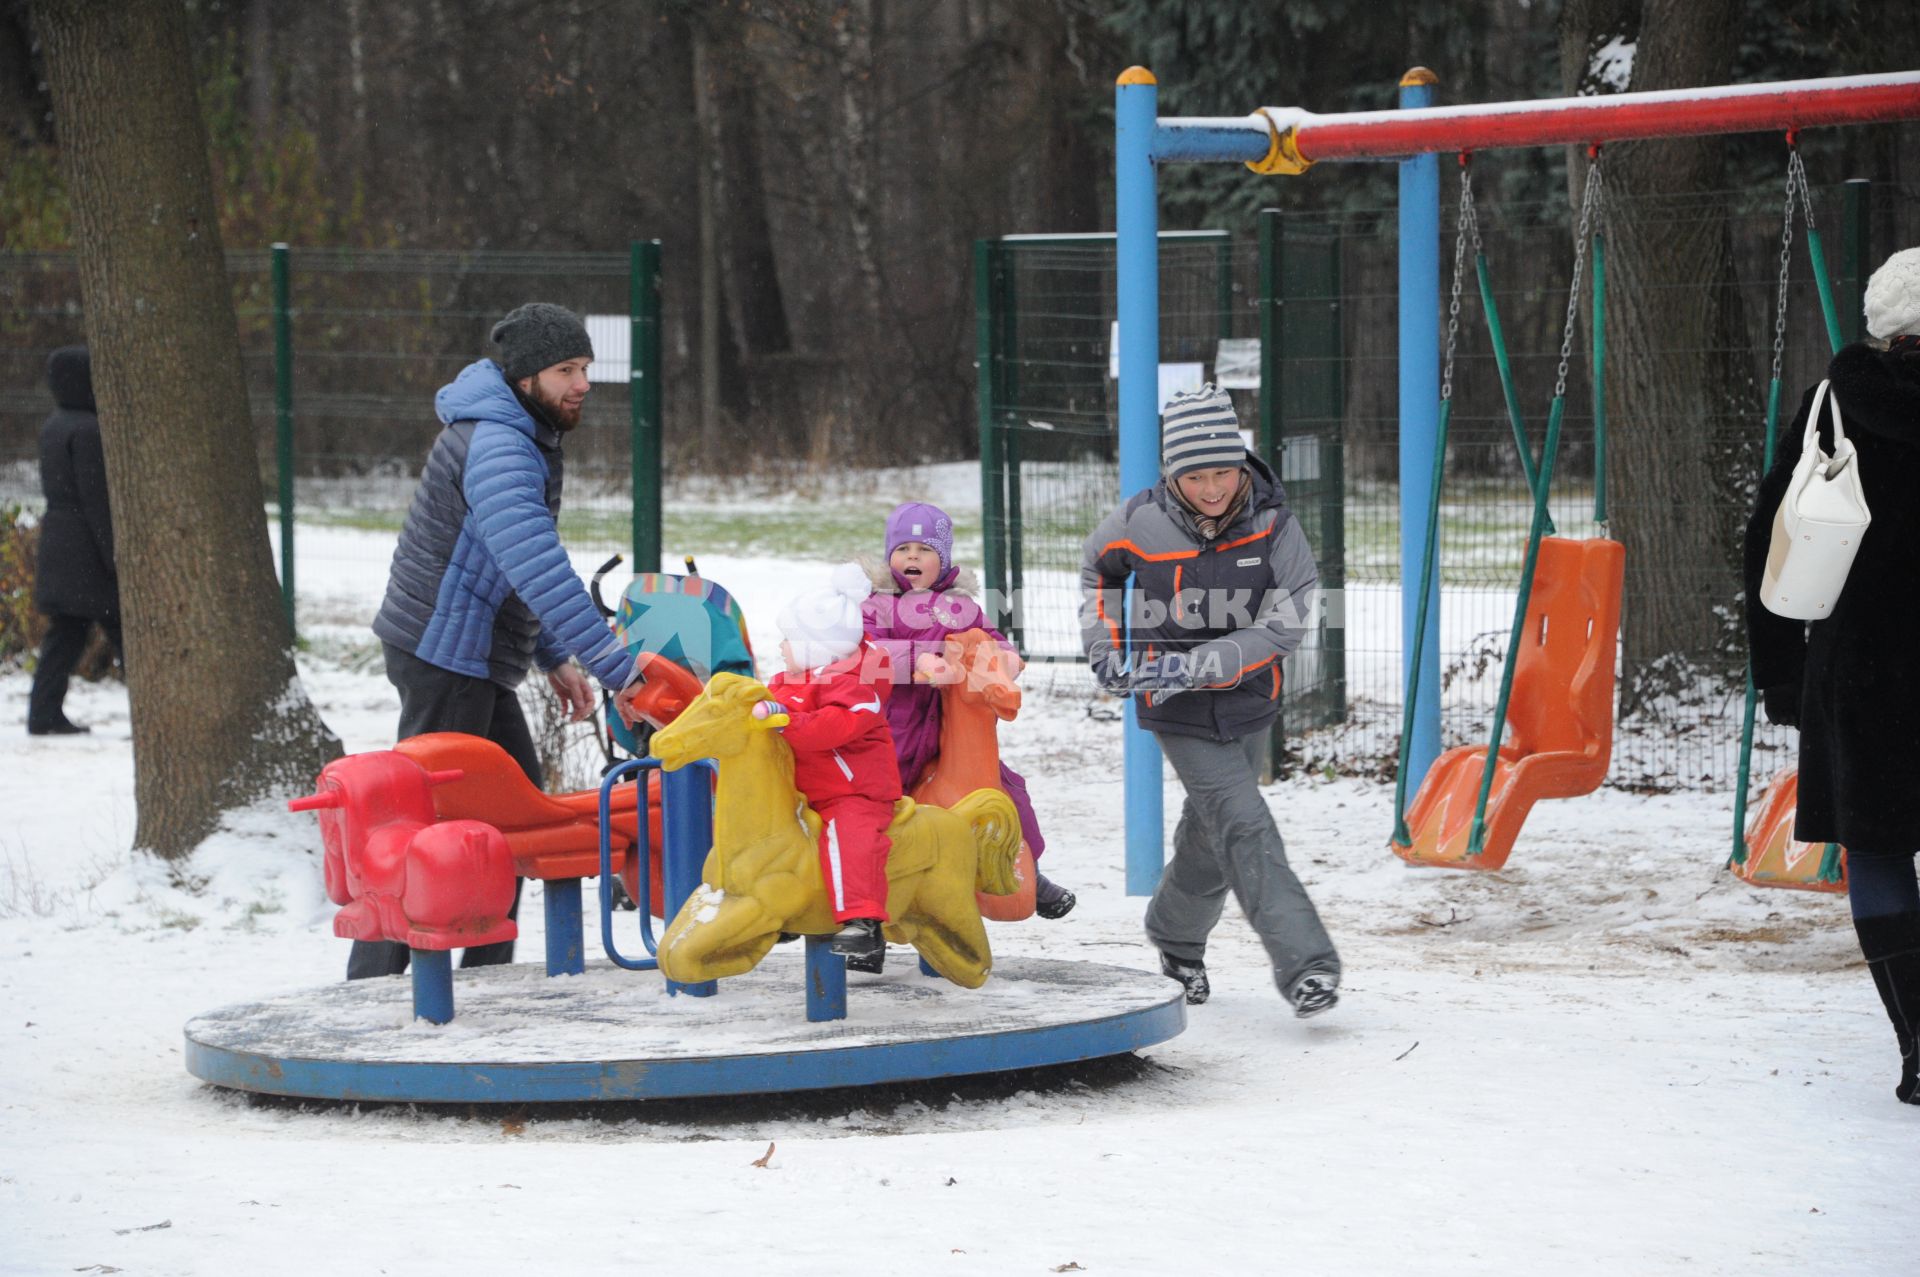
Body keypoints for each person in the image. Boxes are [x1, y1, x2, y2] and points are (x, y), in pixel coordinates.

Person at [355, 303, 644, 980]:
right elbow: (537, 566)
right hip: (443, 657)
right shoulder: (501, 445)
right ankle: (373, 985)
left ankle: (487, 976)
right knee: (428, 831)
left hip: (468, 655)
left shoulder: (521, 430)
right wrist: (616, 671)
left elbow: (504, 560)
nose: (582, 384)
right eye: (565, 370)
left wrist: (550, 655)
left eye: (585, 368)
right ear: (523, 377)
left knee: (510, 821)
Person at [1079, 384, 1338, 1016]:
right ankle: (1308, 965)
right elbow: (1098, 570)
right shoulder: (1141, 521)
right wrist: (1110, 648)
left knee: (1211, 831)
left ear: (1242, 464)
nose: (1214, 488)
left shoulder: (1275, 524)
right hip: (1174, 703)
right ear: (1173, 474)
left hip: (1248, 695)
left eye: (1224, 472)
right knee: (1244, 823)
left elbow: (1290, 617)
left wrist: (1206, 662)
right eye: (1197, 476)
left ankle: (1175, 938)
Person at [1745, 247, 1920, 1106]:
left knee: (1880, 853)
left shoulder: (1829, 410)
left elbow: (1765, 545)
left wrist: (1780, 678)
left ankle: (1919, 1041)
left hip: (1865, 675)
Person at [860, 501, 1073, 922]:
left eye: (925, 550)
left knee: (1008, 791)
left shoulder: (960, 607)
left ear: (944, 560)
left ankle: (1029, 867)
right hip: (895, 732)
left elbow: (991, 639)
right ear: (890, 557)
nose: (913, 558)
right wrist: (920, 659)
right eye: (904, 550)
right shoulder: (877, 606)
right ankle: (869, 909)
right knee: (878, 810)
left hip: (951, 734)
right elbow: (869, 653)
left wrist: (1006, 658)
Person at [753, 562, 903, 962]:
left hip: (853, 790)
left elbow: (832, 727)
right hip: (804, 789)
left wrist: (786, 722)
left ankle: (864, 922)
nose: (780, 647)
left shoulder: (856, 686)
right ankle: (782, 909)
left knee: (851, 838)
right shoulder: (791, 680)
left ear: (814, 647)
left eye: (788, 639)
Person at [28, 345, 123, 736]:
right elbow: (97, 499)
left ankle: (43, 713)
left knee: (64, 635)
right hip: (86, 550)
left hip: (59, 542)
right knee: (127, 631)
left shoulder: (55, 425)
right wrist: (115, 555)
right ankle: (164, 715)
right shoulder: (88, 430)